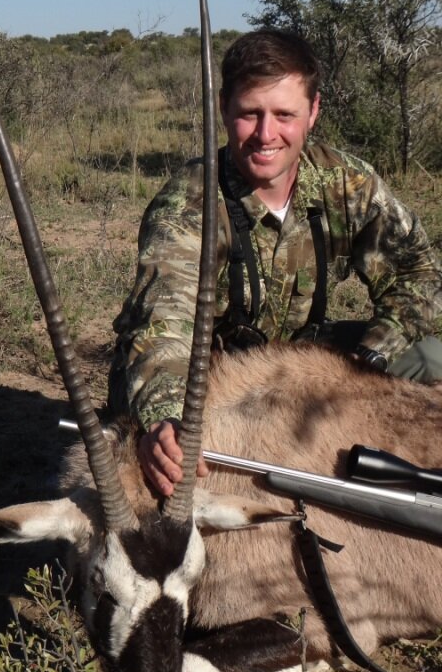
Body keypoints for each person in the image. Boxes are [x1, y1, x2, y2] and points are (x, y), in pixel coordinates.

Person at [108, 29, 442, 495]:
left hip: (303, 369)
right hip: (213, 385)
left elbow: (419, 274)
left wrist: (369, 356)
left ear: (313, 112)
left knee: (432, 357)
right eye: (250, 114)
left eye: (285, 114)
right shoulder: (187, 206)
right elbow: (163, 328)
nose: (267, 135)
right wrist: (165, 419)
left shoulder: (347, 182)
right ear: (225, 108)